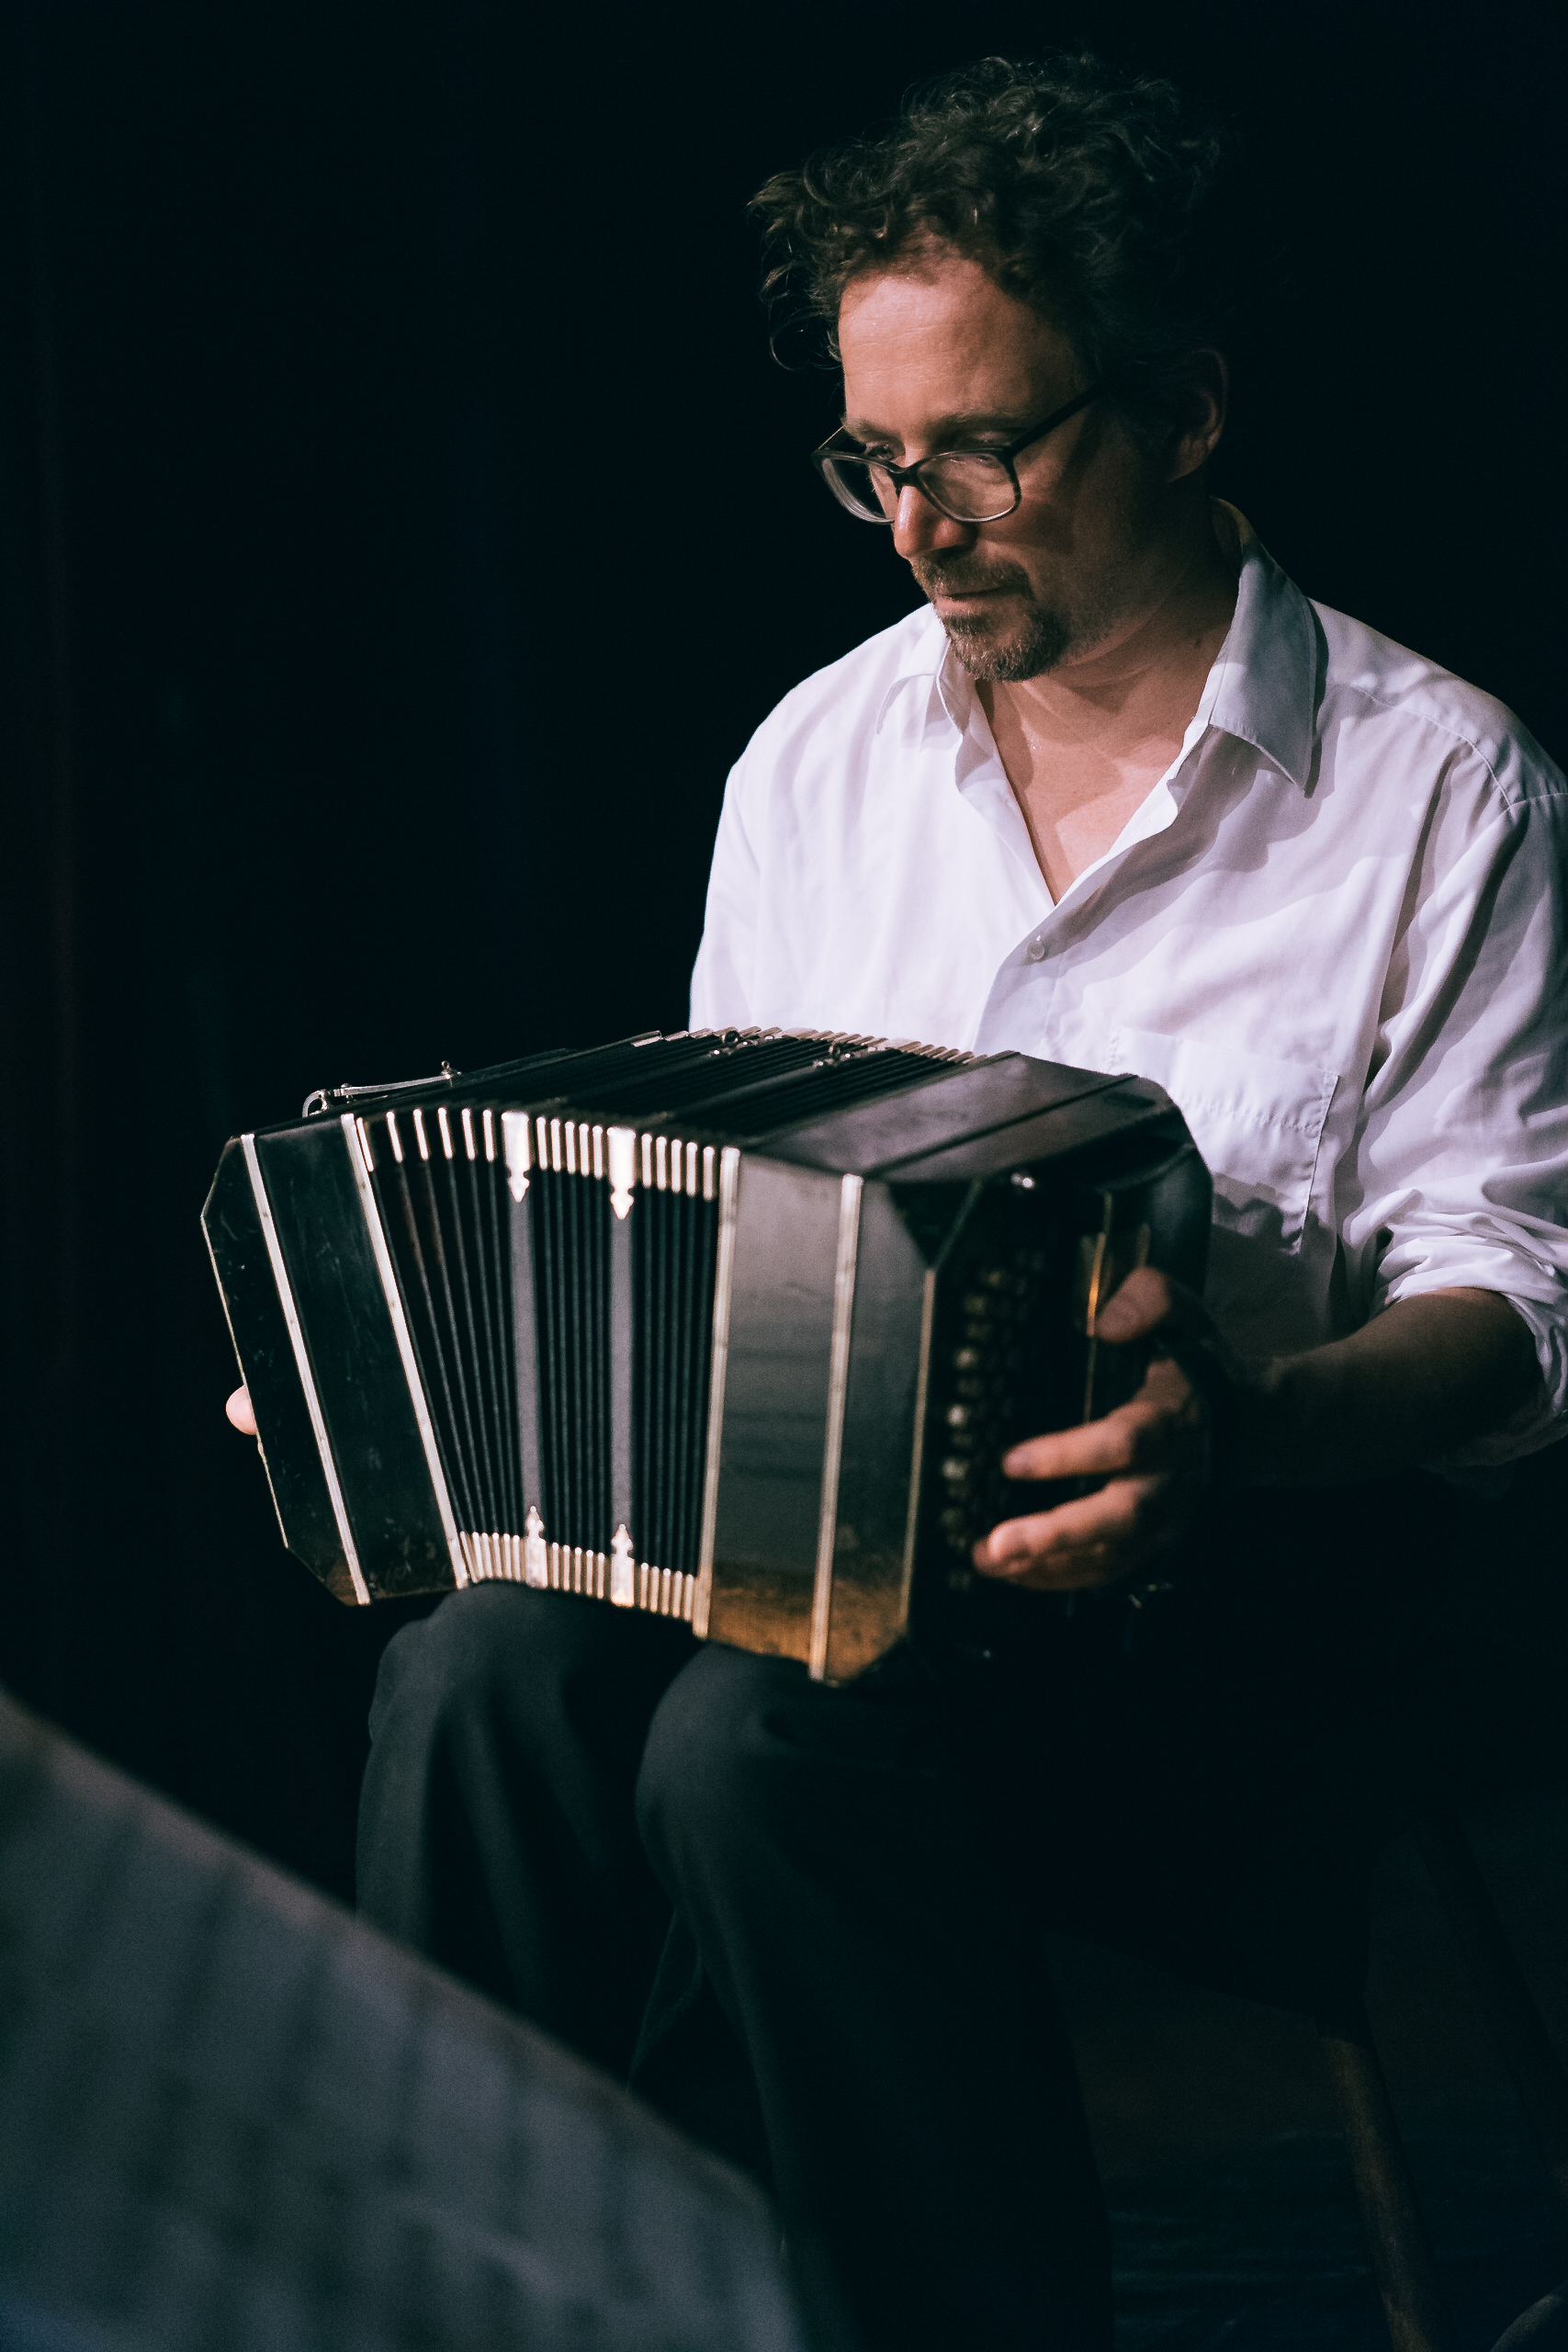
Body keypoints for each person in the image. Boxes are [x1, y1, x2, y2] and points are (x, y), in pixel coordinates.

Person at [229, 53, 1567, 2350]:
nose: (919, 525)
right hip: (806, 1556)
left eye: (984, 447)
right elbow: (709, 1199)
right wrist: (416, 1383)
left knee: (757, 1751)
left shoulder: (1440, 789)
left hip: (1229, 1593)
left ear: (1182, 408)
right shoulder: (818, 754)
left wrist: (1230, 1427)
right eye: (872, 457)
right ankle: (458, 2296)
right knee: (471, 1676)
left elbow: (1517, 1301)